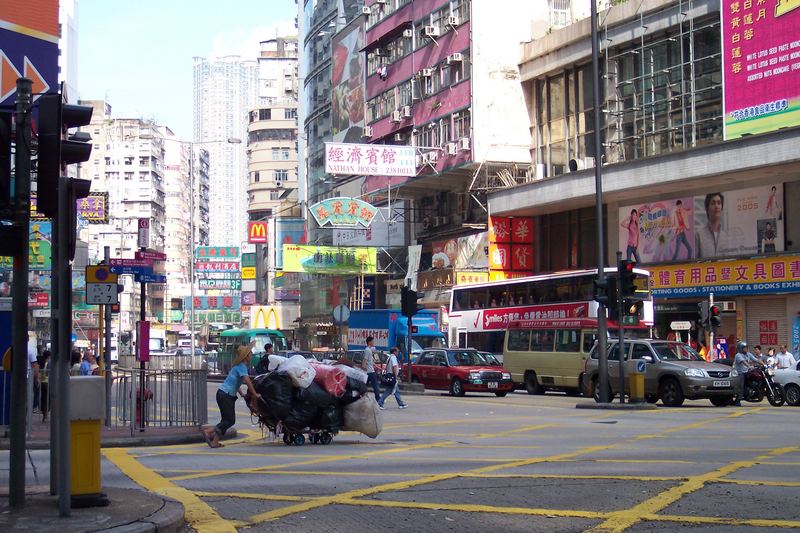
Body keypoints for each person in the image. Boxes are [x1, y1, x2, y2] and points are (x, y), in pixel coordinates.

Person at [202, 343, 261, 448]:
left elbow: (234, 382)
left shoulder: (238, 367)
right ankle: (208, 431)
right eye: (250, 353)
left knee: (225, 420)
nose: (252, 355)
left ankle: (215, 442)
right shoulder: (242, 367)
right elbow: (247, 382)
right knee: (230, 420)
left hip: (223, 393)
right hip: (226, 395)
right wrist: (255, 394)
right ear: (246, 356)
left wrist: (241, 393)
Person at [696, 192, 730, 258]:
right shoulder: (699, 235)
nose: (716, 206)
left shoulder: (725, 236)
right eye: (713, 203)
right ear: (707, 209)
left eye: (719, 203)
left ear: (722, 208)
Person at [733, 341, 759, 406]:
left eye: (747, 347)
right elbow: (743, 362)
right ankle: (738, 401)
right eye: (745, 348)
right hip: (740, 373)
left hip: (747, 372)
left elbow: (756, 360)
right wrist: (749, 366)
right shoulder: (738, 355)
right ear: (741, 348)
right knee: (741, 386)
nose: (747, 349)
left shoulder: (748, 354)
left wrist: (765, 364)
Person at [39, 350, 51, 422]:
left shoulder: (42, 363)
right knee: (48, 400)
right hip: (48, 382)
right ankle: (46, 414)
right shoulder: (48, 364)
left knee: (43, 399)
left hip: (42, 383)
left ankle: (44, 414)